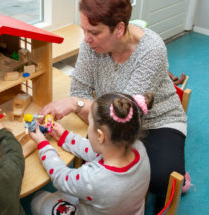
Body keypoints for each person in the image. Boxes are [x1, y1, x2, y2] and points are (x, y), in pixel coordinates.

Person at [40, 0, 189, 212]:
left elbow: (125, 112)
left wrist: (77, 104)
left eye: (94, 32)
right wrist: (83, 105)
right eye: (84, 30)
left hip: (159, 121)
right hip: (115, 120)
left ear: (119, 28)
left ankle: (174, 171)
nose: (86, 39)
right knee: (104, 169)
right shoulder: (91, 45)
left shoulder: (151, 49)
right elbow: (80, 90)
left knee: (160, 178)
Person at [30, 92, 152, 215]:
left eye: (90, 124)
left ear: (100, 136)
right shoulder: (139, 148)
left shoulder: (92, 179)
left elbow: (60, 177)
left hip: (92, 201)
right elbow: (97, 151)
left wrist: (43, 144)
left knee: (38, 199)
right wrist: (65, 137)